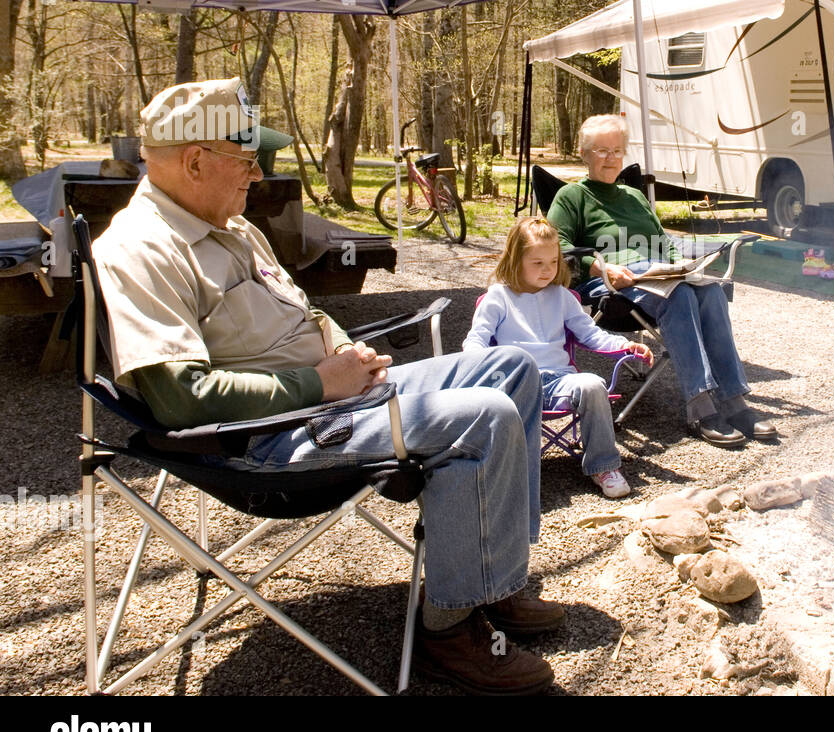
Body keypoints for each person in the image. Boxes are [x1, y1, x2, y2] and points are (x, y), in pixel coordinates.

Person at [93, 77, 560, 696]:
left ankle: (494, 582)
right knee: (487, 413)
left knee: (514, 371)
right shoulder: (140, 248)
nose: (256, 174)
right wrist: (318, 383)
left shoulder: (236, 228)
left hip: (336, 396)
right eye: (246, 159)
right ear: (195, 160)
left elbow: (304, 312)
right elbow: (179, 398)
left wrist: (341, 346)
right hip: (279, 437)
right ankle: (449, 631)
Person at [547, 114, 776, 447]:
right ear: (584, 153)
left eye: (616, 150)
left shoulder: (634, 196)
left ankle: (734, 401)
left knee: (710, 291)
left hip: (655, 274)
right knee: (680, 295)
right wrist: (602, 269)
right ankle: (699, 407)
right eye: (601, 151)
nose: (610, 158)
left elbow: (662, 241)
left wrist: (681, 263)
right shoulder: (571, 197)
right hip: (611, 285)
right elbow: (556, 246)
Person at [464, 216, 652, 499]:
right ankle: (511, 471)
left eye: (553, 262)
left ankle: (603, 466)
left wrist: (626, 345)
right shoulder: (498, 297)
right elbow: (476, 339)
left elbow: (591, 334)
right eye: (537, 263)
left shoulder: (562, 297)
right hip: (517, 380)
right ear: (516, 260)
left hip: (560, 381)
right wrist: (474, 363)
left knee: (591, 385)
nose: (547, 270)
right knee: (502, 397)